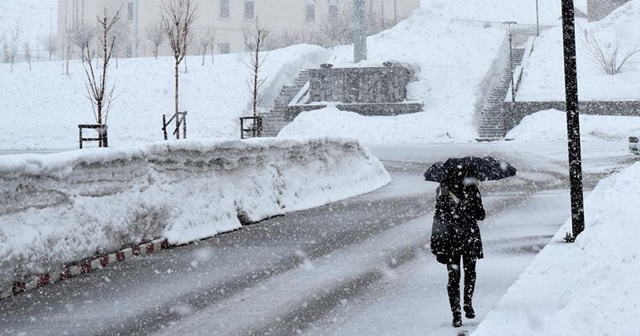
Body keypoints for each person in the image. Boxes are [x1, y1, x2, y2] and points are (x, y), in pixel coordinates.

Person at [430, 166, 485, 328]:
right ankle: (468, 302)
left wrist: (437, 246)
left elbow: (438, 222)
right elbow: (481, 215)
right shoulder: (472, 189)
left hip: (450, 240)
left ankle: (456, 314)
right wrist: (475, 201)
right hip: (469, 237)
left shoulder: (444, 192)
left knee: (453, 278)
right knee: (470, 272)